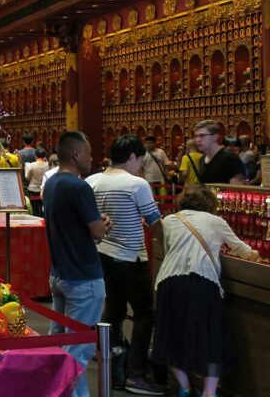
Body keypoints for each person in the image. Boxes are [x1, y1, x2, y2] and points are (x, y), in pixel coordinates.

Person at [152, 186, 259, 397]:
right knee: (213, 339)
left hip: (169, 282)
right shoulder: (217, 222)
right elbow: (244, 251)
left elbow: (169, 249)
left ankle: (184, 387)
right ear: (210, 204)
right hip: (202, 282)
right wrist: (256, 255)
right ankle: (209, 393)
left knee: (169, 337)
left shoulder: (170, 221)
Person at [85, 136, 166, 395]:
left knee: (114, 310)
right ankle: (136, 373)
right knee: (145, 315)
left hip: (101, 255)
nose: (140, 165)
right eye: (140, 160)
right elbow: (154, 221)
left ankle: (115, 367)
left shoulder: (92, 181)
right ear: (132, 156)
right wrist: (167, 241)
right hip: (131, 257)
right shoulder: (136, 184)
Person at [43, 131, 111, 397]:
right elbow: (96, 231)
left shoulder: (52, 183)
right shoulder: (79, 186)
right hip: (83, 276)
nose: (92, 159)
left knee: (60, 346)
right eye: (89, 153)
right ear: (76, 154)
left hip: (60, 273)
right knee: (77, 353)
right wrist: (104, 224)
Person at [193, 120, 244, 185]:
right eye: (196, 136)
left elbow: (236, 189)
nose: (198, 140)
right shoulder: (202, 160)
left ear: (215, 137)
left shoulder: (230, 158)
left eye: (202, 135)